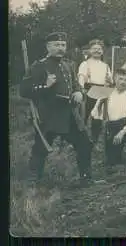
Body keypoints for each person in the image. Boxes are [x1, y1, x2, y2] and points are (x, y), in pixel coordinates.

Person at [21, 32, 92, 186]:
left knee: (84, 143)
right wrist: (45, 86)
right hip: (49, 115)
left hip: (70, 114)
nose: (60, 48)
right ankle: (34, 180)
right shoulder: (39, 66)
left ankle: (86, 178)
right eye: (56, 45)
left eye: (63, 45)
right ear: (48, 47)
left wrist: (79, 92)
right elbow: (24, 91)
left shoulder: (68, 64)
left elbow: (75, 84)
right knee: (41, 148)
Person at [90, 68, 126, 175]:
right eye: (120, 79)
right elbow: (95, 115)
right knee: (112, 164)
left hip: (125, 129)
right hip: (111, 129)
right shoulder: (106, 95)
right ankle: (115, 159)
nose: (123, 82)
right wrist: (100, 102)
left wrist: (122, 132)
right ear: (115, 79)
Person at [78, 39, 113, 141]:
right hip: (89, 89)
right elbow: (81, 78)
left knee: (98, 116)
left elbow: (110, 80)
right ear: (90, 50)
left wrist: (109, 81)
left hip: (102, 90)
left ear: (102, 51)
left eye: (99, 49)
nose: (97, 51)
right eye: (94, 49)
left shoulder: (105, 65)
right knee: (85, 114)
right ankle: (81, 137)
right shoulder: (85, 63)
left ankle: (95, 138)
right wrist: (81, 89)